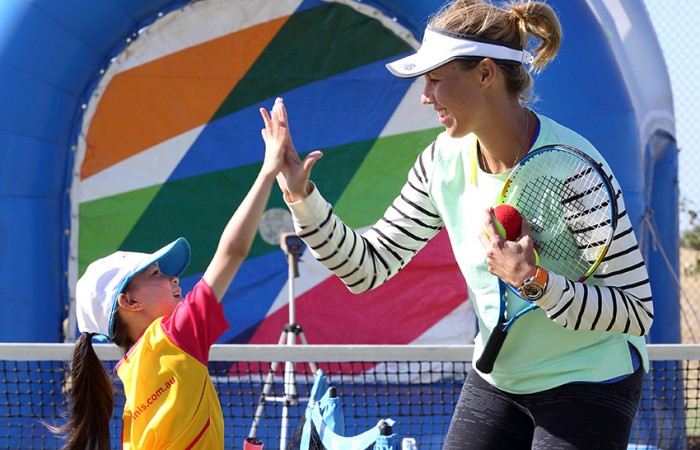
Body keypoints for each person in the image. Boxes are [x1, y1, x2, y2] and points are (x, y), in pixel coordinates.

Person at [274, 1, 654, 448]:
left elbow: (637, 311)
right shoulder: (439, 161)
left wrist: (534, 282)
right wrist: (302, 198)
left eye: (436, 79)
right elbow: (367, 268)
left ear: (486, 73)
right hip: (498, 380)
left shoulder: (575, 171)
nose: (425, 96)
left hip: (590, 378)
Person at [54, 98, 290, 449]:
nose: (173, 278)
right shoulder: (175, 337)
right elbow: (232, 252)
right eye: (156, 274)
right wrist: (268, 171)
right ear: (129, 301)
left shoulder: (132, 370)